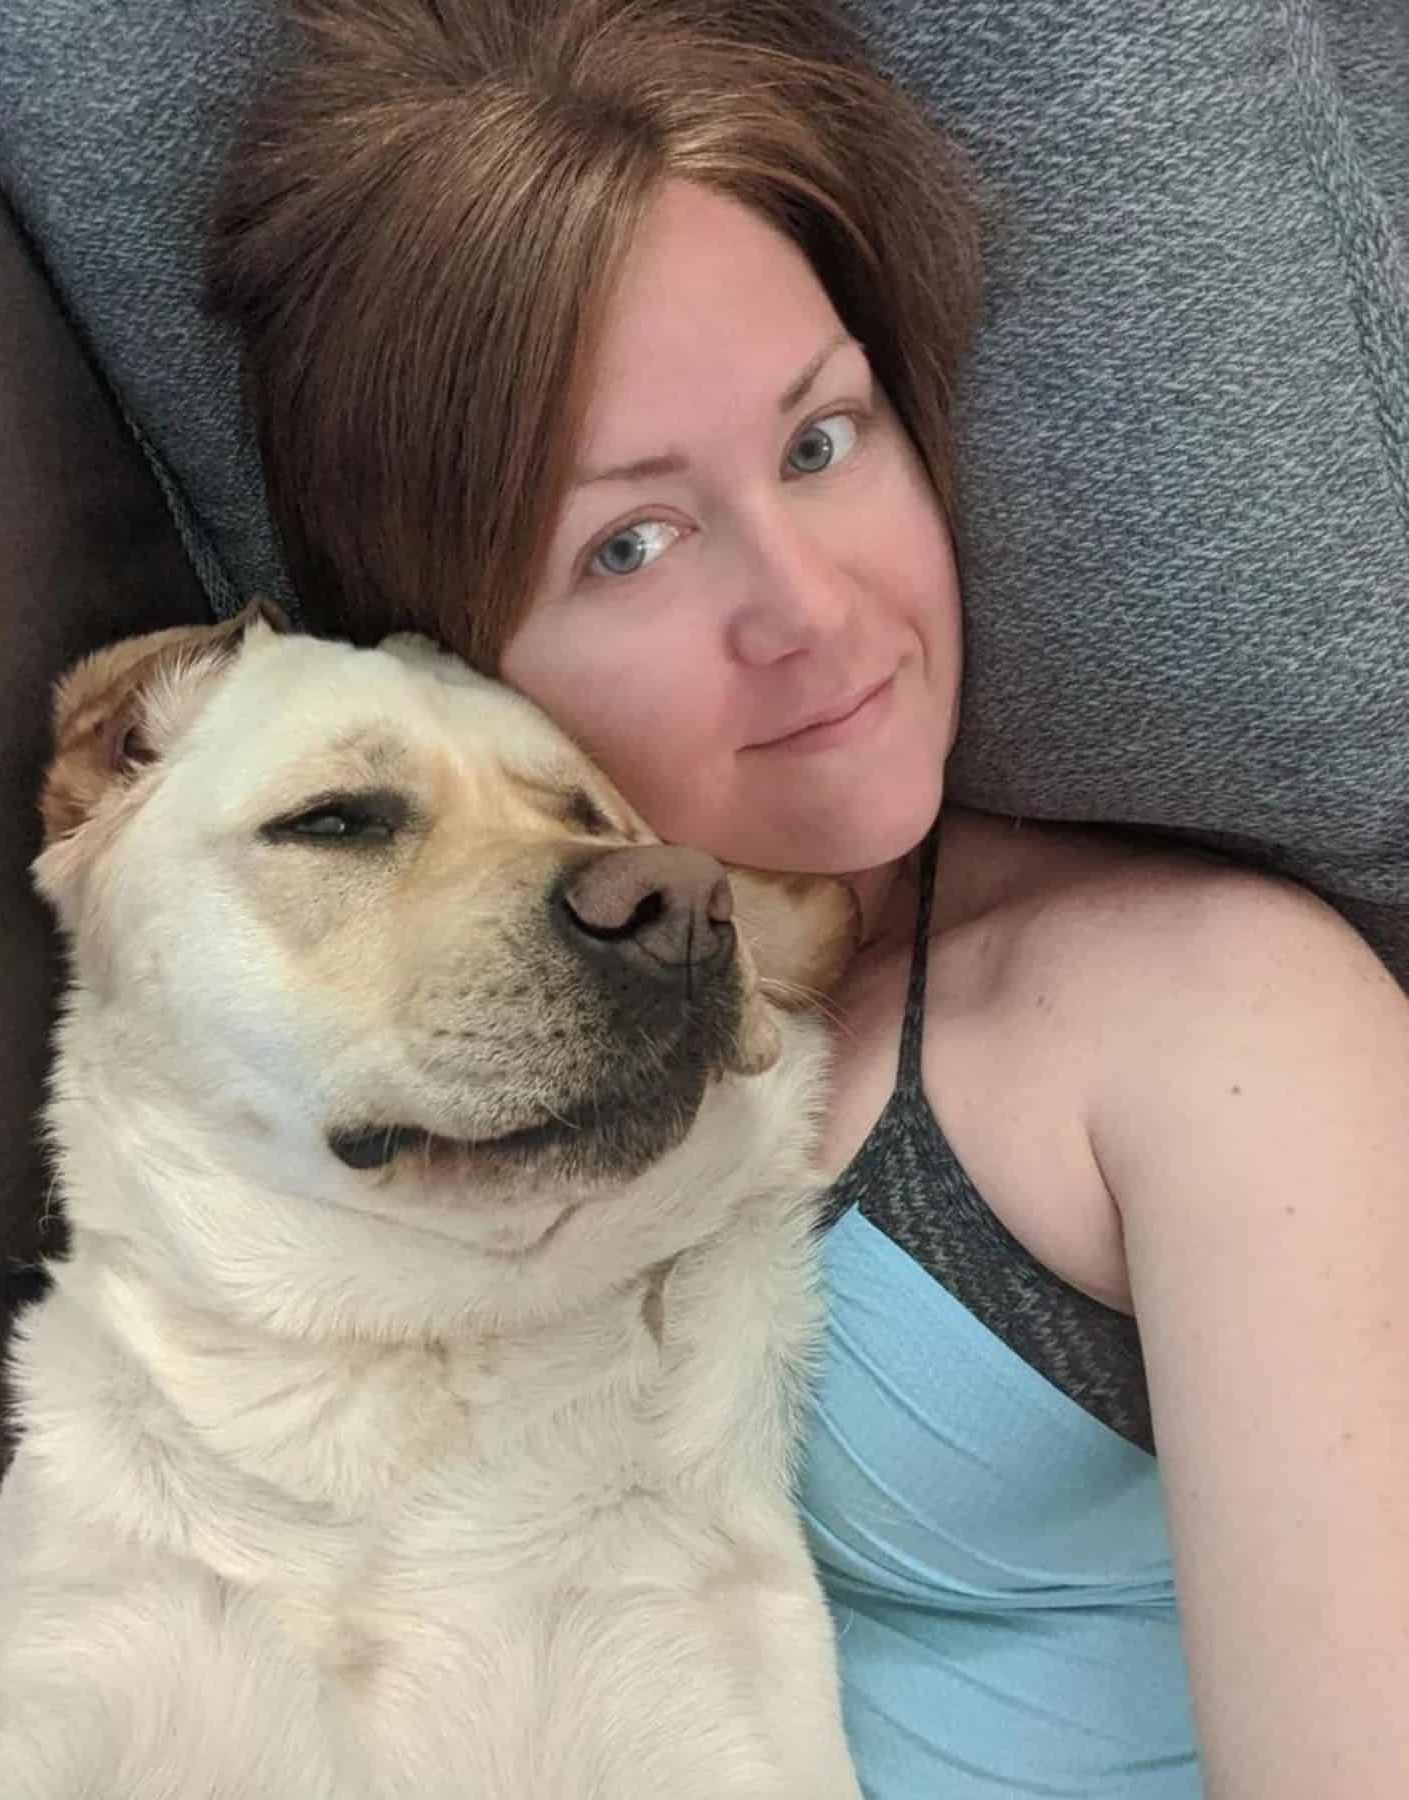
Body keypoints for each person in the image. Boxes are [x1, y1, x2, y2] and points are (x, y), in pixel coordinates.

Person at [200, 1, 1405, 1794]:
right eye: (630, 542)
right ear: (454, 647)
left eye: (821, 441)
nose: (816, 615)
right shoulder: (390, 1095)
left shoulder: (1213, 1022)